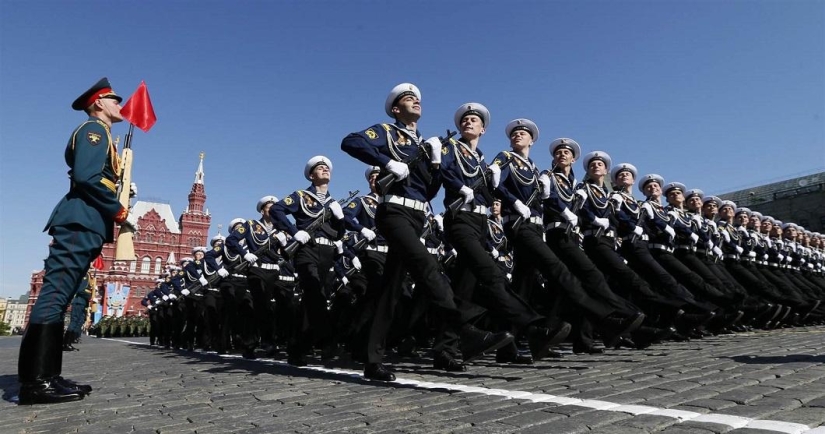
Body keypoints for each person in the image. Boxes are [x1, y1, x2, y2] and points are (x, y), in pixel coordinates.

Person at [341, 83, 513, 382]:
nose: (416, 102)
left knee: (390, 291)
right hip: (393, 212)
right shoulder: (387, 131)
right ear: (396, 109)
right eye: (409, 99)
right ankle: (466, 329)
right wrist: (387, 161)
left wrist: (434, 162)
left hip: (417, 215)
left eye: (418, 99)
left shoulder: (423, 144)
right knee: (427, 266)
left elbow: (428, 191)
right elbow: (350, 142)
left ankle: (370, 357)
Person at [18, 77, 130, 405]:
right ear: (98, 103)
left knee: (60, 295)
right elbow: (86, 177)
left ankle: (48, 375)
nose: (119, 105)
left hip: (88, 221)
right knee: (54, 296)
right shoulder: (93, 132)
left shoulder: (104, 135)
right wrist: (117, 209)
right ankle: (35, 382)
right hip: (81, 219)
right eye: (114, 100)